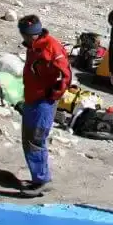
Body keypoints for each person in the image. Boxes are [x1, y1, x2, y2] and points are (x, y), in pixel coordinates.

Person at [17, 15, 72, 195]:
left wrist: (54, 93)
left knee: (36, 139)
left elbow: (66, 75)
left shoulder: (51, 47)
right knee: (28, 139)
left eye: (26, 34)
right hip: (32, 98)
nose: (24, 37)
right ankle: (38, 177)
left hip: (43, 101)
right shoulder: (34, 47)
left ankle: (42, 180)